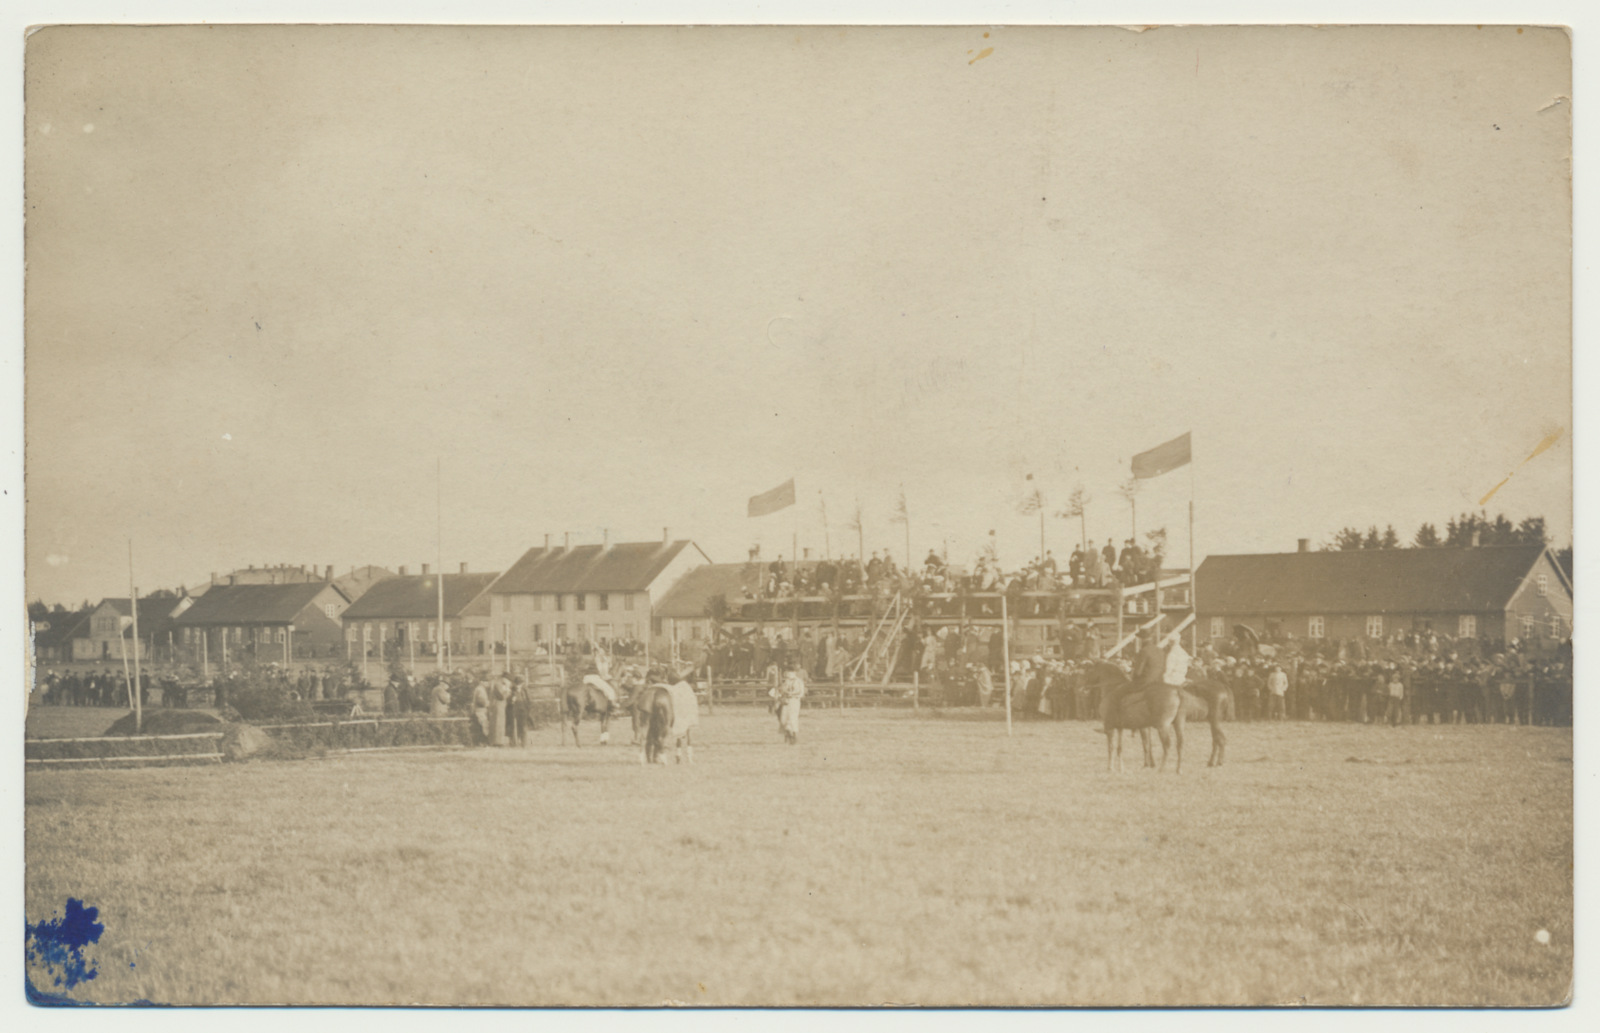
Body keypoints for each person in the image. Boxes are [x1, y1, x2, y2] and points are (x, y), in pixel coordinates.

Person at [770, 663, 806, 744]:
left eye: (791, 672)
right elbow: (779, 691)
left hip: (794, 701)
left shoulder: (798, 681)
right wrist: (778, 693)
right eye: (787, 672)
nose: (789, 674)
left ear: (794, 673)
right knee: (783, 719)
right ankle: (787, 733)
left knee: (792, 718)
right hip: (785, 701)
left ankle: (793, 735)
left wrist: (792, 694)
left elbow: (801, 693)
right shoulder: (785, 681)